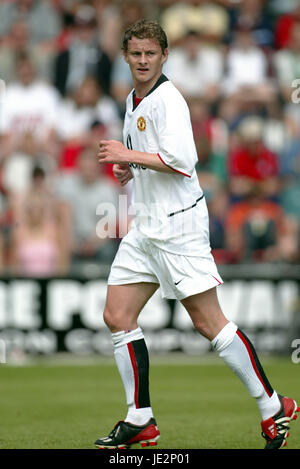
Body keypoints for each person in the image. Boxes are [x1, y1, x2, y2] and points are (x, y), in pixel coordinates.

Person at [94, 19, 299, 450]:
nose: (144, 60)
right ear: (126, 57)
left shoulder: (169, 99)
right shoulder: (133, 99)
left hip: (178, 227)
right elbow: (151, 158)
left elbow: (183, 162)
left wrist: (127, 153)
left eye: (151, 53)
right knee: (117, 316)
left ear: (164, 56)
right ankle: (140, 419)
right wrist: (127, 168)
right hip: (147, 226)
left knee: (210, 323)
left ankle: (272, 404)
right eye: (136, 54)